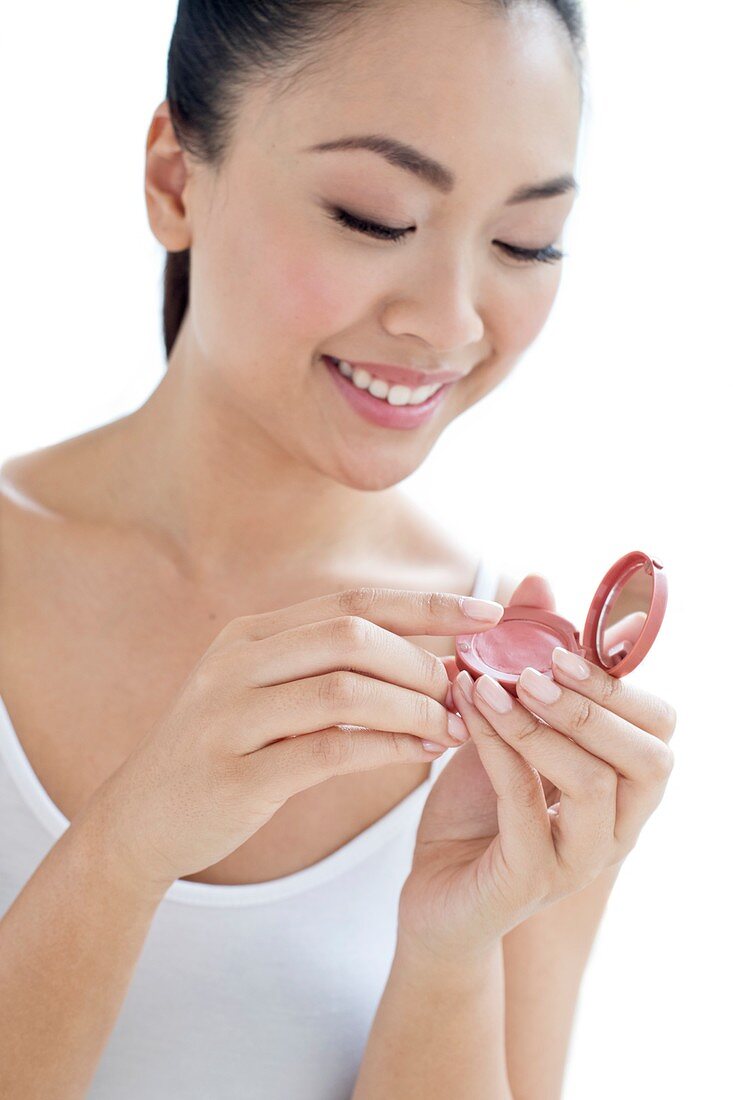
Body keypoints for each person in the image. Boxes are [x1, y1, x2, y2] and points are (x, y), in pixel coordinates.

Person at [0, 2, 677, 1097]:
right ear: (177, 180)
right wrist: (124, 848)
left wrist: (449, 951)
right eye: (372, 216)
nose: (450, 320)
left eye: (523, 240)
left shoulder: (530, 728)